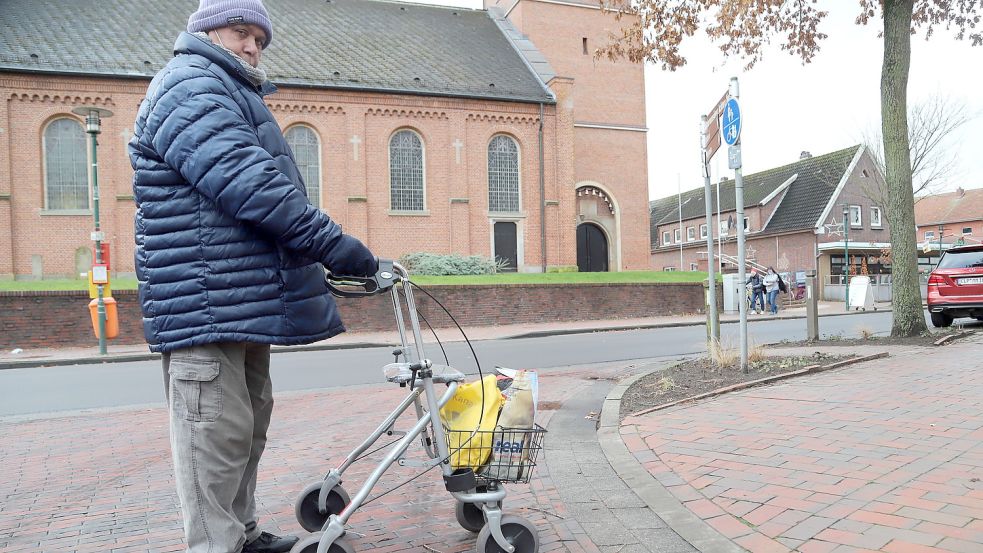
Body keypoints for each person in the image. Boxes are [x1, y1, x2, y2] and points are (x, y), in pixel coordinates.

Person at [128, 1, 377, 551]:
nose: (251, 46)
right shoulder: (190, 86)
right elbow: (254, 187)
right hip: (205, 305)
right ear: (206, 32)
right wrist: (340, 249)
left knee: (242, 432)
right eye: (241, 32)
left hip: (236, 303)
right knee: (211, 441)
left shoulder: (224, 88)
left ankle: (242, 537)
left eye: (260, 39)